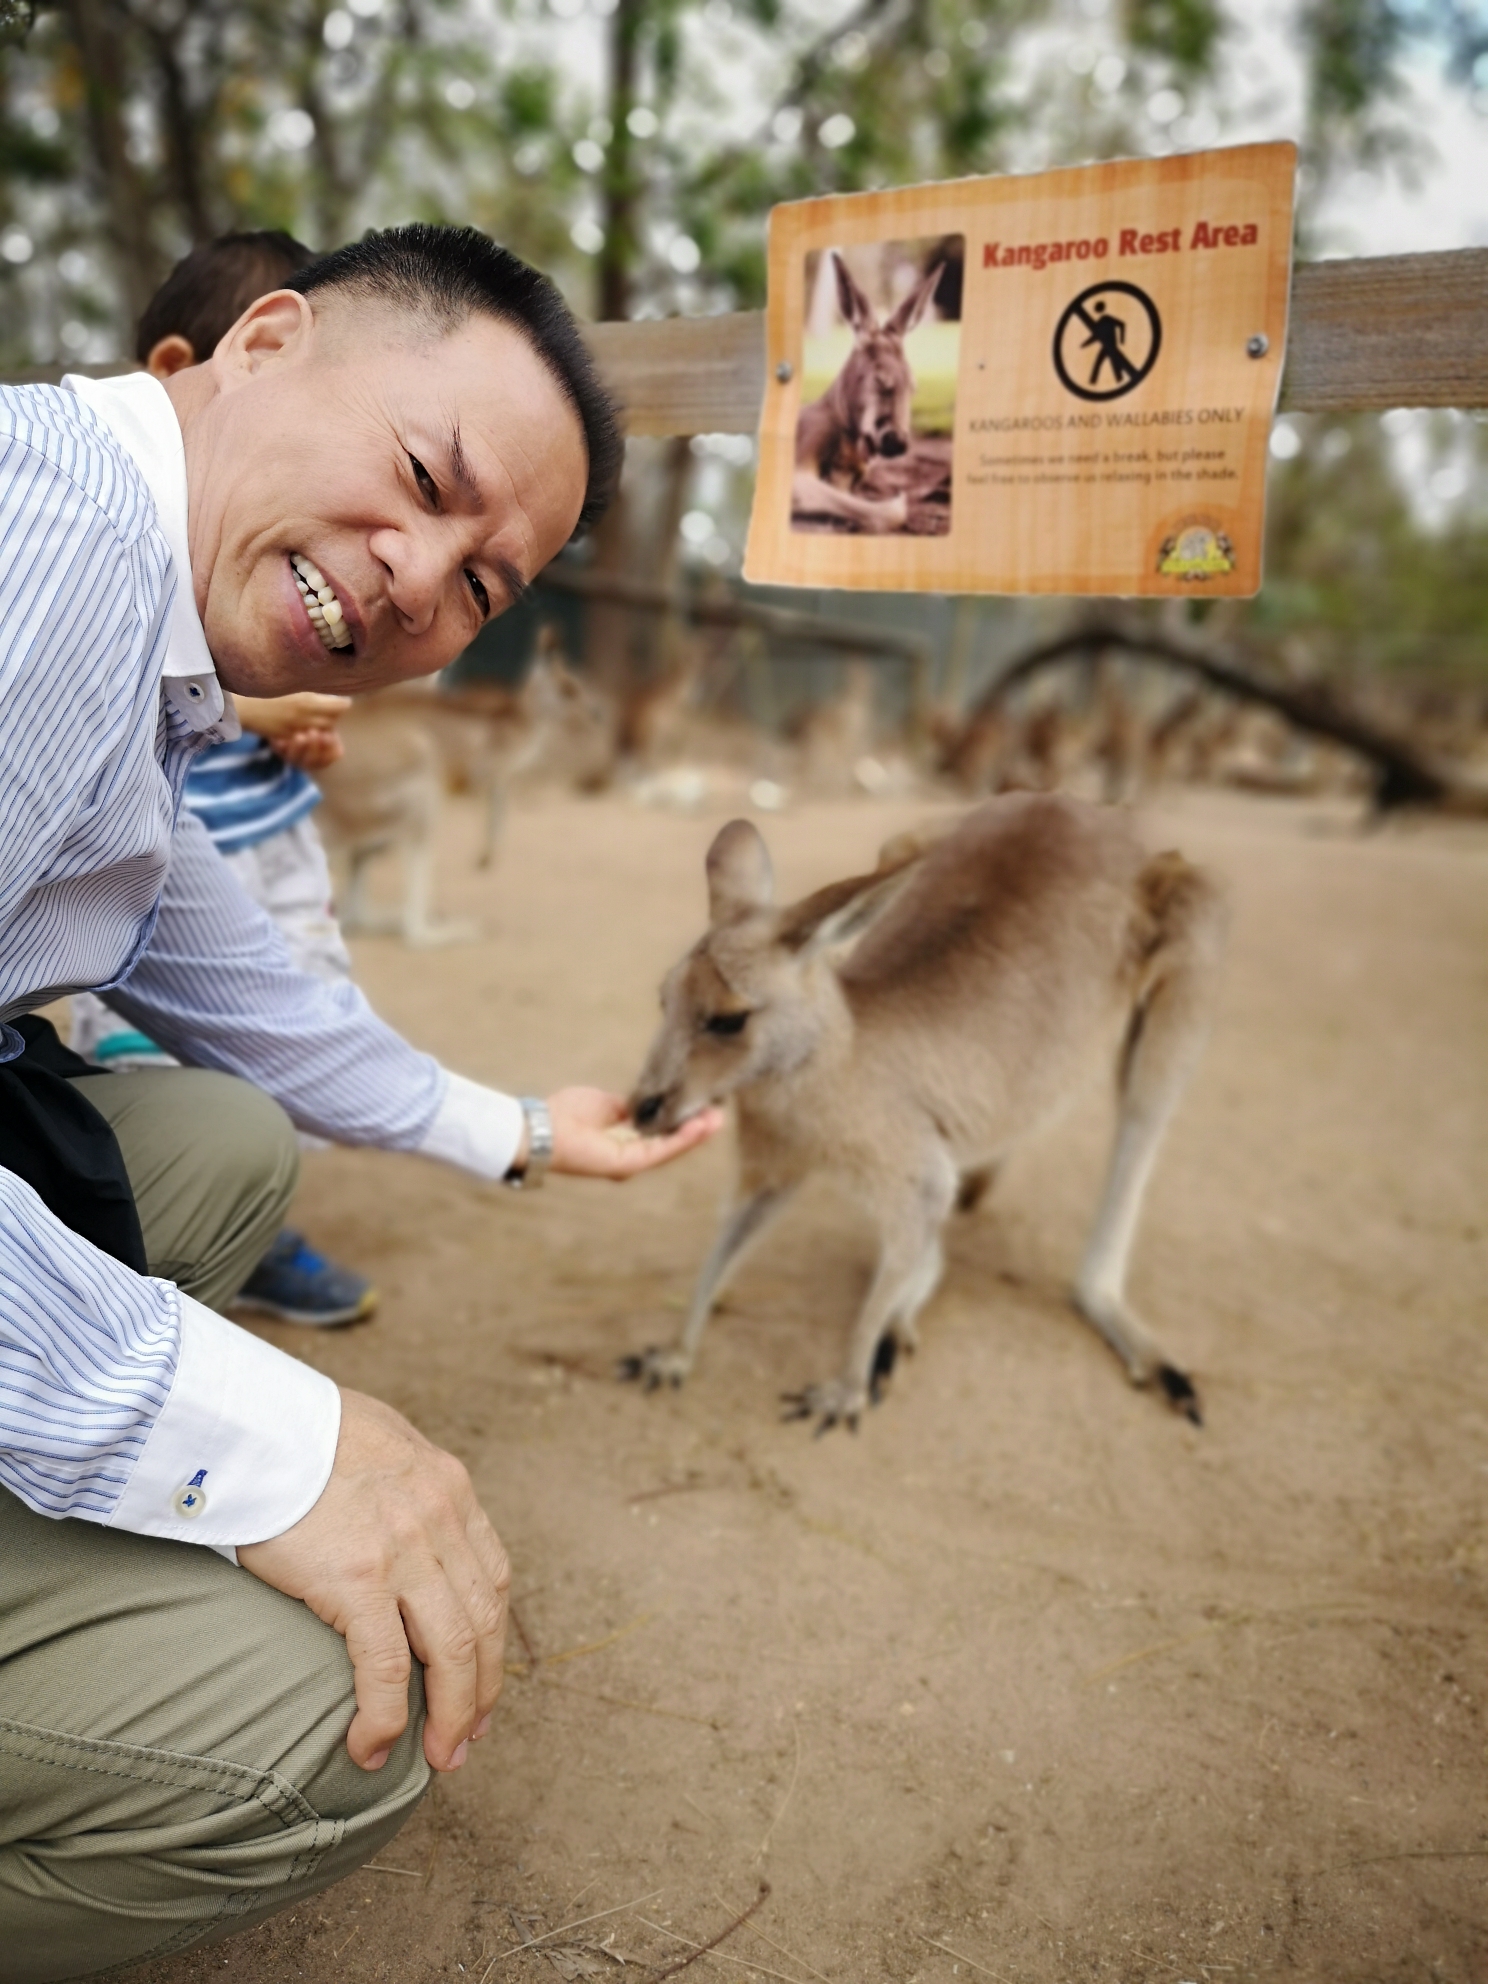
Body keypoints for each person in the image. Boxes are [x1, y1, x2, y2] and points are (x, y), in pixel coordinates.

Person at [0, 222, 722, 1983]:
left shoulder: (149, 642)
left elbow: (250, 991)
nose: (419, 578)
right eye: (425, 474)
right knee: (325, 1728)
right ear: (256, 343)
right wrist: (282, 1438)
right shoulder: (49, 558)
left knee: (228, 1144)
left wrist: (521, 1130)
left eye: (484, 585)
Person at [70, 230, 377, 1328]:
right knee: (165, 1052)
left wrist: (294, 734)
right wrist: (249, 706)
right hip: (184, 864)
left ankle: (247, 1218)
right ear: (183, 369)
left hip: (269, 835)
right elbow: (145, 694)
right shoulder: (98, 547)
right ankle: (137, 1255)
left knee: (293, 1032)